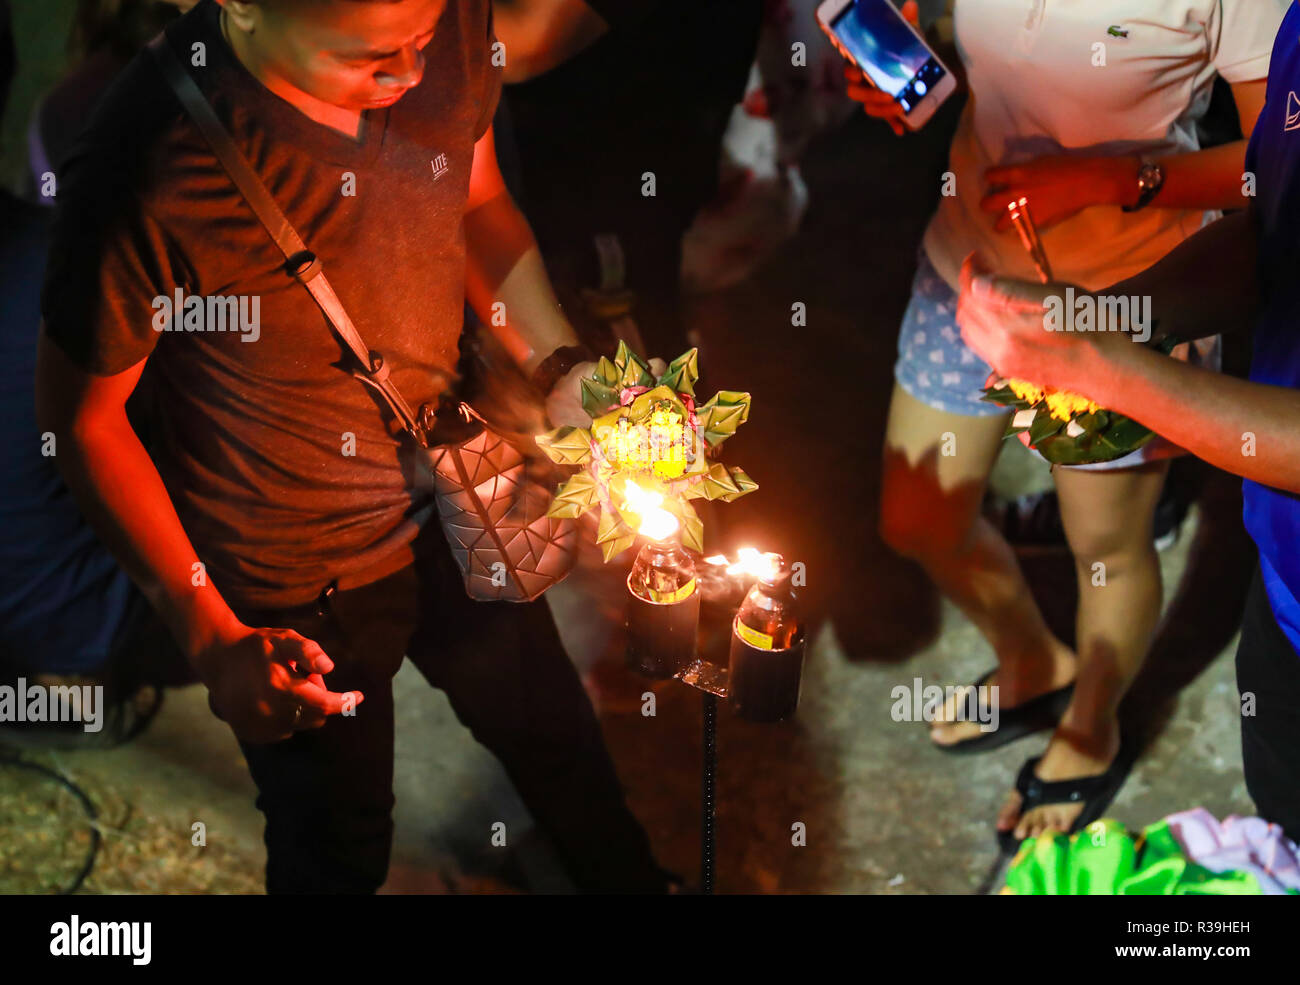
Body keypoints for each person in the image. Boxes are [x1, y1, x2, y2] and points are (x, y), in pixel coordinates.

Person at [36, 0, 669, 893]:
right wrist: (213, 635)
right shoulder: (146, 169)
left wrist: (560, 362)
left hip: (455, 491)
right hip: (296, 574)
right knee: (336, 838)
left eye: (424, 38)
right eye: (370, 57)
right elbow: (82, 422)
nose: (412, 76)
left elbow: (478, 199)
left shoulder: (439, 25)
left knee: (551, 733)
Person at [845, 0, 1286, 846]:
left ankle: (1091, 725)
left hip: (1128, 303)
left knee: (1107, 551)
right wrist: (906, 59)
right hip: (967, 273)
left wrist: (1117, 179)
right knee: (916, 517)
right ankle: (1031, 661)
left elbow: (1279, 171)